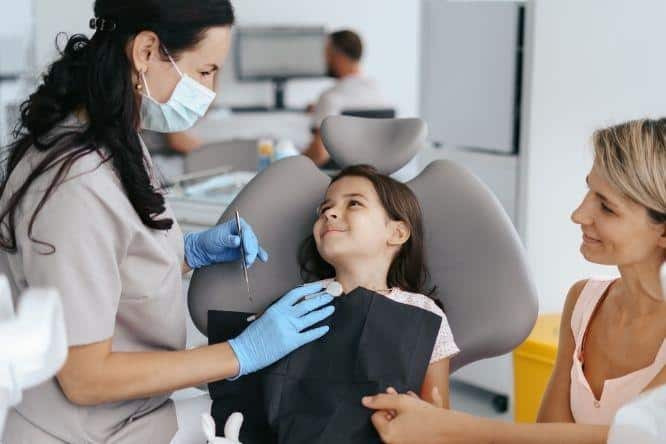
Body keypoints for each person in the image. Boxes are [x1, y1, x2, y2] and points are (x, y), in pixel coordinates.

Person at [0, 1, 334, 443]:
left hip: (134, 413)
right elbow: (86, 379)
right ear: (146, 51)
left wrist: (186, 252)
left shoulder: (116, 138)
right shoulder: (76, 185)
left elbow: (108, 267)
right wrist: (240, 353)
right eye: (205, 71)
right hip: (87, 430)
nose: (211, 92)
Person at [362, 118, 666, 444]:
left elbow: (635, 438)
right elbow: (548, 437)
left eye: (606, 207)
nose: (579, 214)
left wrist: (445, 427)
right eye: (589, 190)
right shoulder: (585, 301)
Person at [206, 165, 458, 443]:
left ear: (397, 233)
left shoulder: (423, 314)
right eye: (324, 208)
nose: (329, 213)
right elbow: (255, 381)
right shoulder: (297, 304)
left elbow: (437, 417)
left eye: (354, 203)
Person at [303, 30, 390, 167]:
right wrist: (319, 109)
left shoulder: (330, 98)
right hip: (372, 178)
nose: (325, 60)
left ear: (338, 56)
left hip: (335, 179)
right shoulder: (377, 94)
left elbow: (319, 154)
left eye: (327, 54)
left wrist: (292, 163)